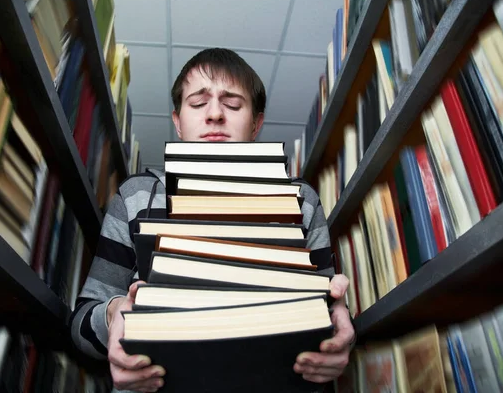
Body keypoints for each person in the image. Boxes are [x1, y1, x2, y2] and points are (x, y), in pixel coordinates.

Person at [69, 48, 356, 393]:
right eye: (197, 103)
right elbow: (81, 325)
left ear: (256, 124)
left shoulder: (302, 201)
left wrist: (340, 329)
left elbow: (328, 306)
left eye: (233, 104)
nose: (215, 114)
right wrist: (113, 314)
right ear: (177, 121)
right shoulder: (136, 196)